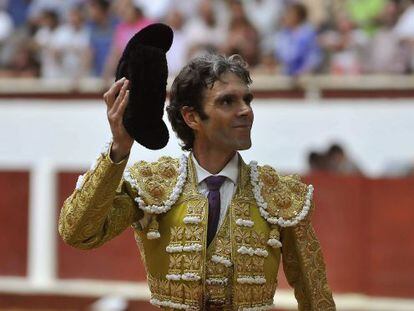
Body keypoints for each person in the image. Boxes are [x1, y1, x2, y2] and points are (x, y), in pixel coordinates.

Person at [59, 53, 335, 310]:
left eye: (247, 100)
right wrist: (118, 150)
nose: (245, 111)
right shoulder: (153, 185)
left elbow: (315, 295)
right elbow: (78, 233)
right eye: (227, 101)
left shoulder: (279, 193)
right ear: (191, 117)